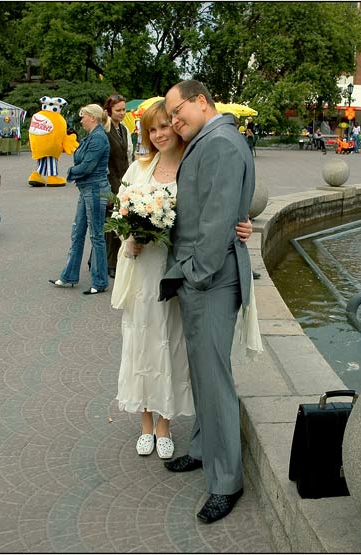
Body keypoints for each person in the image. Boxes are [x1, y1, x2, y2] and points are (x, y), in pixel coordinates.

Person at [111, 100, 257, 461]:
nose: (160, 134)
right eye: (153, 129)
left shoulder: (194, 163)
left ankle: (165, 424)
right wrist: (131, 236)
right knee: (141, 341)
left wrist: (243, 224)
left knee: (171, 344)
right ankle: (145, 422)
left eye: (165, 126)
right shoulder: (138, 168)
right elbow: (120, 211)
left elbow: (214, 210)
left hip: (178, 272)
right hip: (144, 268)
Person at [159, 80, 255, 523]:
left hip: (210, 280)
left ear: (202, 101)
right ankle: (201, 449)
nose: (174, 121)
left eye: (178, 112)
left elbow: (217, 220)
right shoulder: (212, 140)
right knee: (202, 372)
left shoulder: (221, 142)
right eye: (170, 116)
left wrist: (195, 273)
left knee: (214, 380)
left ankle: (225, 482)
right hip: (203, 277)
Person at [49, 104, 110, 295]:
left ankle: (99, 282)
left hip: (95, 189)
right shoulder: (93, 136)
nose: (81, 120)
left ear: (92, 117)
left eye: (83, 116)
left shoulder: (98, 138)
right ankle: (69, 276)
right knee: (78, 233)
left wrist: (69, 172)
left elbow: (86, 166)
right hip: (87, 189)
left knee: (96, 236)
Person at [103, 94, 131, 279]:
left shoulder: (124, 129)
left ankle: (104, 260)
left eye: (124, 109)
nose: (122, 113)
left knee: (119, 221)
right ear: (109, 111)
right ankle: (109, 263)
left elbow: (128, 155)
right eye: (118, 110)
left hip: (123, 180)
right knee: (111, 223)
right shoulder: (104, 130)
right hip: (110, 181)